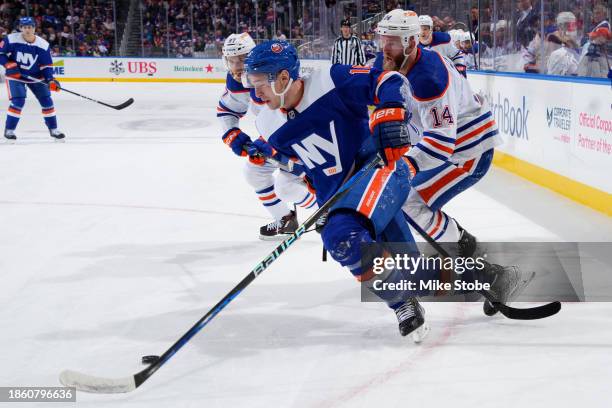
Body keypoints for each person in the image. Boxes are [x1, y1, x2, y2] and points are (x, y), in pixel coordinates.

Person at [243, 40, 522, 339]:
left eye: (260, 83)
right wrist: (285, 168)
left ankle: (410, 299)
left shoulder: (330, 81)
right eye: (251, 83)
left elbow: (387, 79)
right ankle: (487, 278)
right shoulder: (267, 121)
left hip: (381, 170)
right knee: (410, 273)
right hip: (343, 194)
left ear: (284, 78)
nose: (254, 92)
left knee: (340, 236)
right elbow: (303, 160)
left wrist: (389, 110)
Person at [374, 9, 520, 314]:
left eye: (393, 41)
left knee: (409, 201)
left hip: (468, 151)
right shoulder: (394, 60)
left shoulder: (428, 77)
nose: (384, 48)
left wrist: (406, 164)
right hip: (449, 147)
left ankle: (485, 270)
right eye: (382, 39)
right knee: (408, 202)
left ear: (412, 41)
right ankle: (482, 268)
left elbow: (441, 142)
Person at [217, 33, 315, 240]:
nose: (236, 66)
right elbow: (227, 111)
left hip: (307, 137)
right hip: (277, 139)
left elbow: (295, 111)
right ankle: (285, 220)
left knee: (286, 187)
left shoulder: (271, 75)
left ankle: (326, 209)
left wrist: (275, 146)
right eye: (231, 60)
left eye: (242, 59)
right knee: (254, 173)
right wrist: (234, 135)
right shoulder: (238, 83)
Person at [0, 17, 64, 141]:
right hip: (15, 76)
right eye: (24, 27)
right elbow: (0, 54)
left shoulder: (43, 45)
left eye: (30, 27)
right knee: (18, 101)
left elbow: (46, 66)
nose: (27, 30)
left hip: (36, 77)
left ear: (34, 28)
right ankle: (9, 130)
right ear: (20, 28)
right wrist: (8, 64)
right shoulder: (11, 39)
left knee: (47, 101)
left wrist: (50, 79)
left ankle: (53, 129)